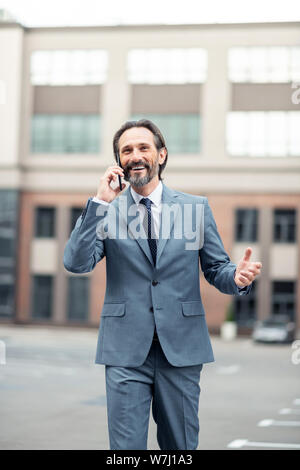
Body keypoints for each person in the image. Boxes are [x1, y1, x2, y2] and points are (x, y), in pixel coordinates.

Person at [63, 119, 262, 450]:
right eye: (126, 150)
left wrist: (236, 277)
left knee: (180, 447)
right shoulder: (106, 211)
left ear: (161, 155)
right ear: (119, 161)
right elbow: (76, 262)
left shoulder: (195, 208)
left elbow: (216, 268)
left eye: (143, 147)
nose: (135, 155)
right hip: (125, 351)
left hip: (181, 350)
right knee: (125, 451)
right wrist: (99, 203)